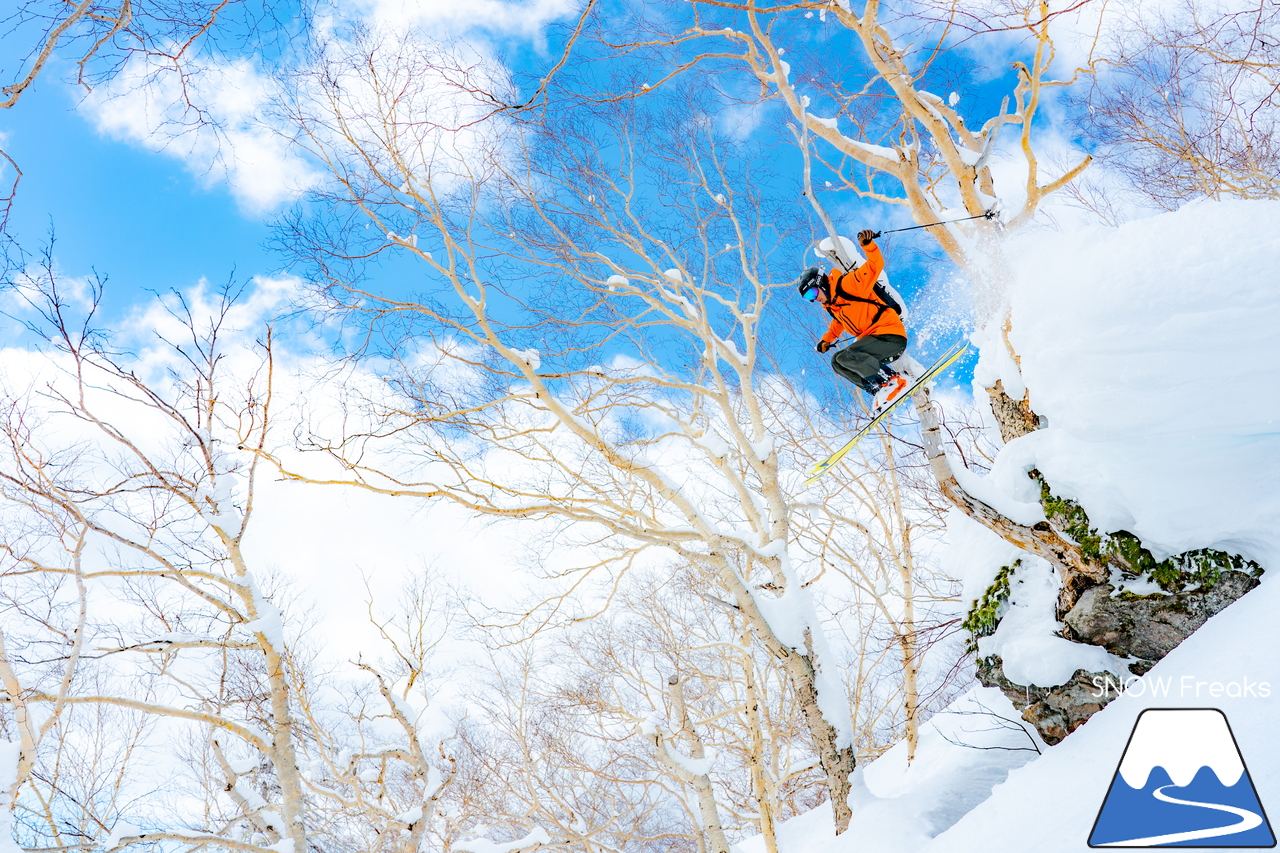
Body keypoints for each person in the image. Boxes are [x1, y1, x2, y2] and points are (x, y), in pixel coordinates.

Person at [797, 229, 909, 412]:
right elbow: (838, 323)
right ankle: (879, 389)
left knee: (850, 354)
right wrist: (826, 340)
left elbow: (875, 266)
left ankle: (893, 381)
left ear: (821, 283)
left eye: (813, 292)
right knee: (837, 361)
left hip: (890, 336)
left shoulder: (848, 285)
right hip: (875, 346)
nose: (813, 299)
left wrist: (868, 246)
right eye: (808, 297)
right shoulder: (833, 306)